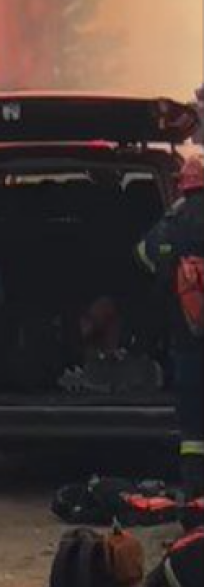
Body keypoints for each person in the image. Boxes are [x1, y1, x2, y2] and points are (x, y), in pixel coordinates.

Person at [136, 155, 204, 500]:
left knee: (193, 427)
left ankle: (195, 498)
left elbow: (144, 255)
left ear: (183, 185)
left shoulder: (174, 220)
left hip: (187, 336)